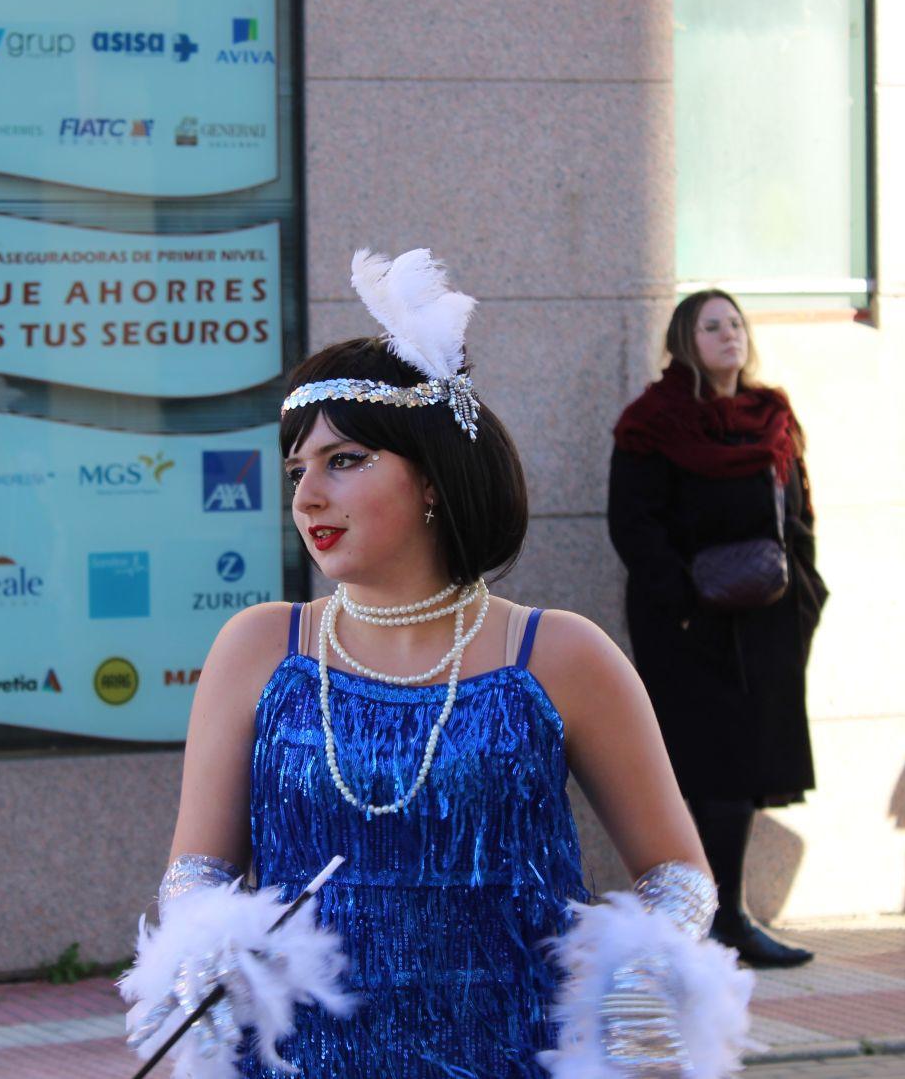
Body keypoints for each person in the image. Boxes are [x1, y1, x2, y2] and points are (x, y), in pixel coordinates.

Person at [121, 250, 750, 1078]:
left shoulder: (560, 654)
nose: (308, 495)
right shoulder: (259, 647)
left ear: (431, 481)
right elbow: (197, 865)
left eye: (344, 461)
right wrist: (200, 938)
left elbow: (680, 872)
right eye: (297, 468)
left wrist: (646, 961)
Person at [608, 290, 827, 968]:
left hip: (765, 620)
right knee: (703, 770)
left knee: (748, 770)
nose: (729, 335)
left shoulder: (771, 416)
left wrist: (806, 590)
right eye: (712, 325)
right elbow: (633, 523)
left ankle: (727, 915)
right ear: (685, 338)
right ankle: (697, 918)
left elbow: (800, 511)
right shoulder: (654, 421)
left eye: (735, 323)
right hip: (688, 626)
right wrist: (682, 601)